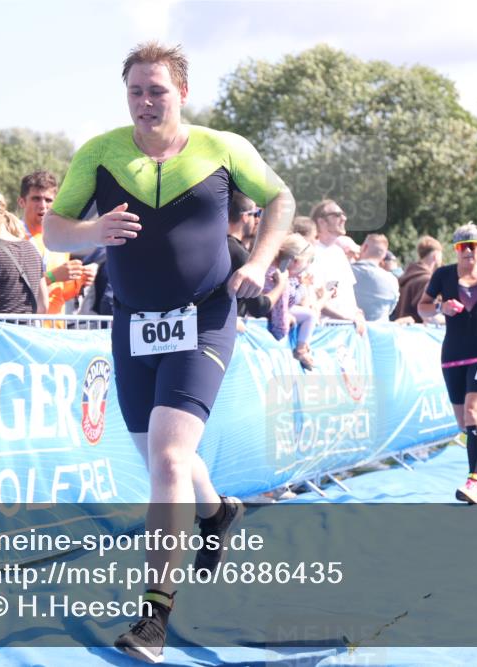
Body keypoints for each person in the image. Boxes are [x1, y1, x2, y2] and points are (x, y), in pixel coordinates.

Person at [41, 41, 294, 663]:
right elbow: (53, 230)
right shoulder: (100, 152)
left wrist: (259, 262)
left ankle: (153, 617)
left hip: (204, 318)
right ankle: (218, 512)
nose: (146, 102)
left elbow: (282, 199)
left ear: (181, 92)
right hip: (132, 324)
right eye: (136, 91)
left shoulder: (223, 147)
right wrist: (90, 232)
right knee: (160, 460)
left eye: (157, 90)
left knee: (170, 456)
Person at [417, 223, 477, 505]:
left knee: (473, 412)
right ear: (455, 250)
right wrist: (440, 308)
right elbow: (422, 306)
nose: (468, 251)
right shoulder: (443, 276)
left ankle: (473, 482)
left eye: (473, 245)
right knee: (466, 423)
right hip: (452, 355)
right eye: (462, 247)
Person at [19, 170, 97, 326]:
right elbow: (11, 288)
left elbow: (61, 292)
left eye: (48, 200)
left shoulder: (59, 240)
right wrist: (52, 276)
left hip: (55, 331)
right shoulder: (13, 237)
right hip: (23, 330)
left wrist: (80, 280)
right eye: (36, 199)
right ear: (22, 202)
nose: (42, 205)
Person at [310, 200, 366, 334]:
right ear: (321, 222)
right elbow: (314, 298)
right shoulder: (311, 253)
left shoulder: (339, 253)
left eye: (343, 214)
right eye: (337, 215)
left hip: (347, 331)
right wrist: (347, 318)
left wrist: (357, 314)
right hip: (324, 333)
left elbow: (347, 294)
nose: (344, 218)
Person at [264, 233, 318, 369]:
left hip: (272, 310)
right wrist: (303, 286)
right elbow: (291, 300)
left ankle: (302, 348)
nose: (304, 270)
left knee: (310, 314)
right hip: (267, 313)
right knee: (310, 315)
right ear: (295, 261)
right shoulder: (279, 275)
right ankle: (300, 350)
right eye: (305, 265)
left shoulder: (278, 271)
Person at [227, 192, 285, 318]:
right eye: (256, 214)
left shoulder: (217, 246)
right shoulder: (239, 253)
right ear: (245, 217)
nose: (258, 220)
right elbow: (258, 308)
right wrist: (280, 285)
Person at [393, 235, 443, 322]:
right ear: (436, 256)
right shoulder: (428, 280)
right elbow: (429, 317)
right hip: (418, 333)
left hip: (402, 331)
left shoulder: (406, 276)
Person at [351, 233, 400, 322]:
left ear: (364, 247)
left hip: (350, 332)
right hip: (381, 332)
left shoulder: (346, 271)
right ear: (384, 256)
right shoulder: (392, 280)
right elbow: (391, 309)